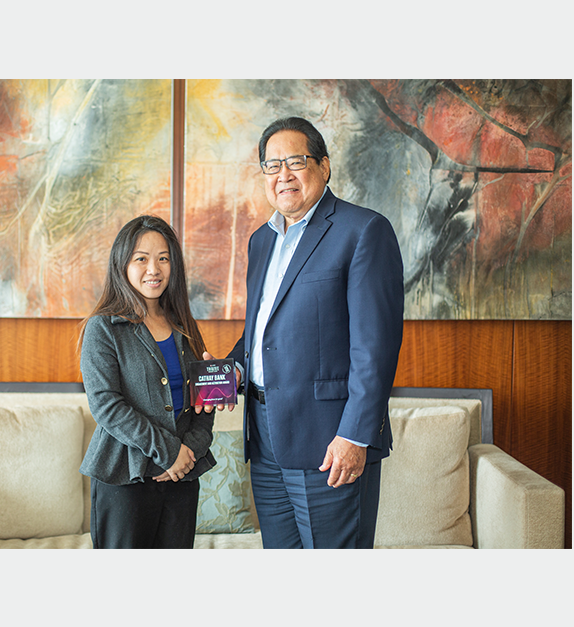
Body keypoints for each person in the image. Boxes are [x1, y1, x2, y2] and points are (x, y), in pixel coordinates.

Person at [207, 117, 404, 549]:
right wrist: (228, 372)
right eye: (272, 166)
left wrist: (354, 435)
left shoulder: (362, 231)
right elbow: (262, 332)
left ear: (324, 167)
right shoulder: (261, 241)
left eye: (295, 162)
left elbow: (375, 348)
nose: (284, 176)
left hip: (327, 441)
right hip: (264, 437)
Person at [78, 215, 216, 549]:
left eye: (163, 258)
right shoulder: (103, 328)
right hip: (124, 477)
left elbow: (203, 398)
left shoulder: (184, 325)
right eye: (141, 258)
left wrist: (189, 452)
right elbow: (107, 407)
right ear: (122, 264)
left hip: (183, 476)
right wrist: (169, 453)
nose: (153, 269)